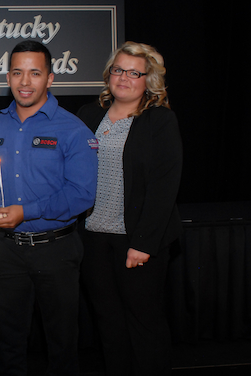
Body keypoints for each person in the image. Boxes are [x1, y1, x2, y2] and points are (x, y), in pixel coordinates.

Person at [0, 40, 98, 376]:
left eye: (35, 73)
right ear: (8, 77)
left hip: (57, 249)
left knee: (62, 344)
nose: (25, 81)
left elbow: (82, 194)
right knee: (9, 343)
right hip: (6, 252)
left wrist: (27, 210)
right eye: (18, 72)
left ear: (49, 79)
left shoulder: (73, 129)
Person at [77, 41, 182, 376]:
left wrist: (143, 243)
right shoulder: (89, 115)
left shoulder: (159, 120)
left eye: (133, 72)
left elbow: (165, 187)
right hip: (94, 238)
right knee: (107, 322)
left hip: (135, 241)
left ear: (147, 79)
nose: (123, 77)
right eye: (118, 70)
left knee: (144, 323)